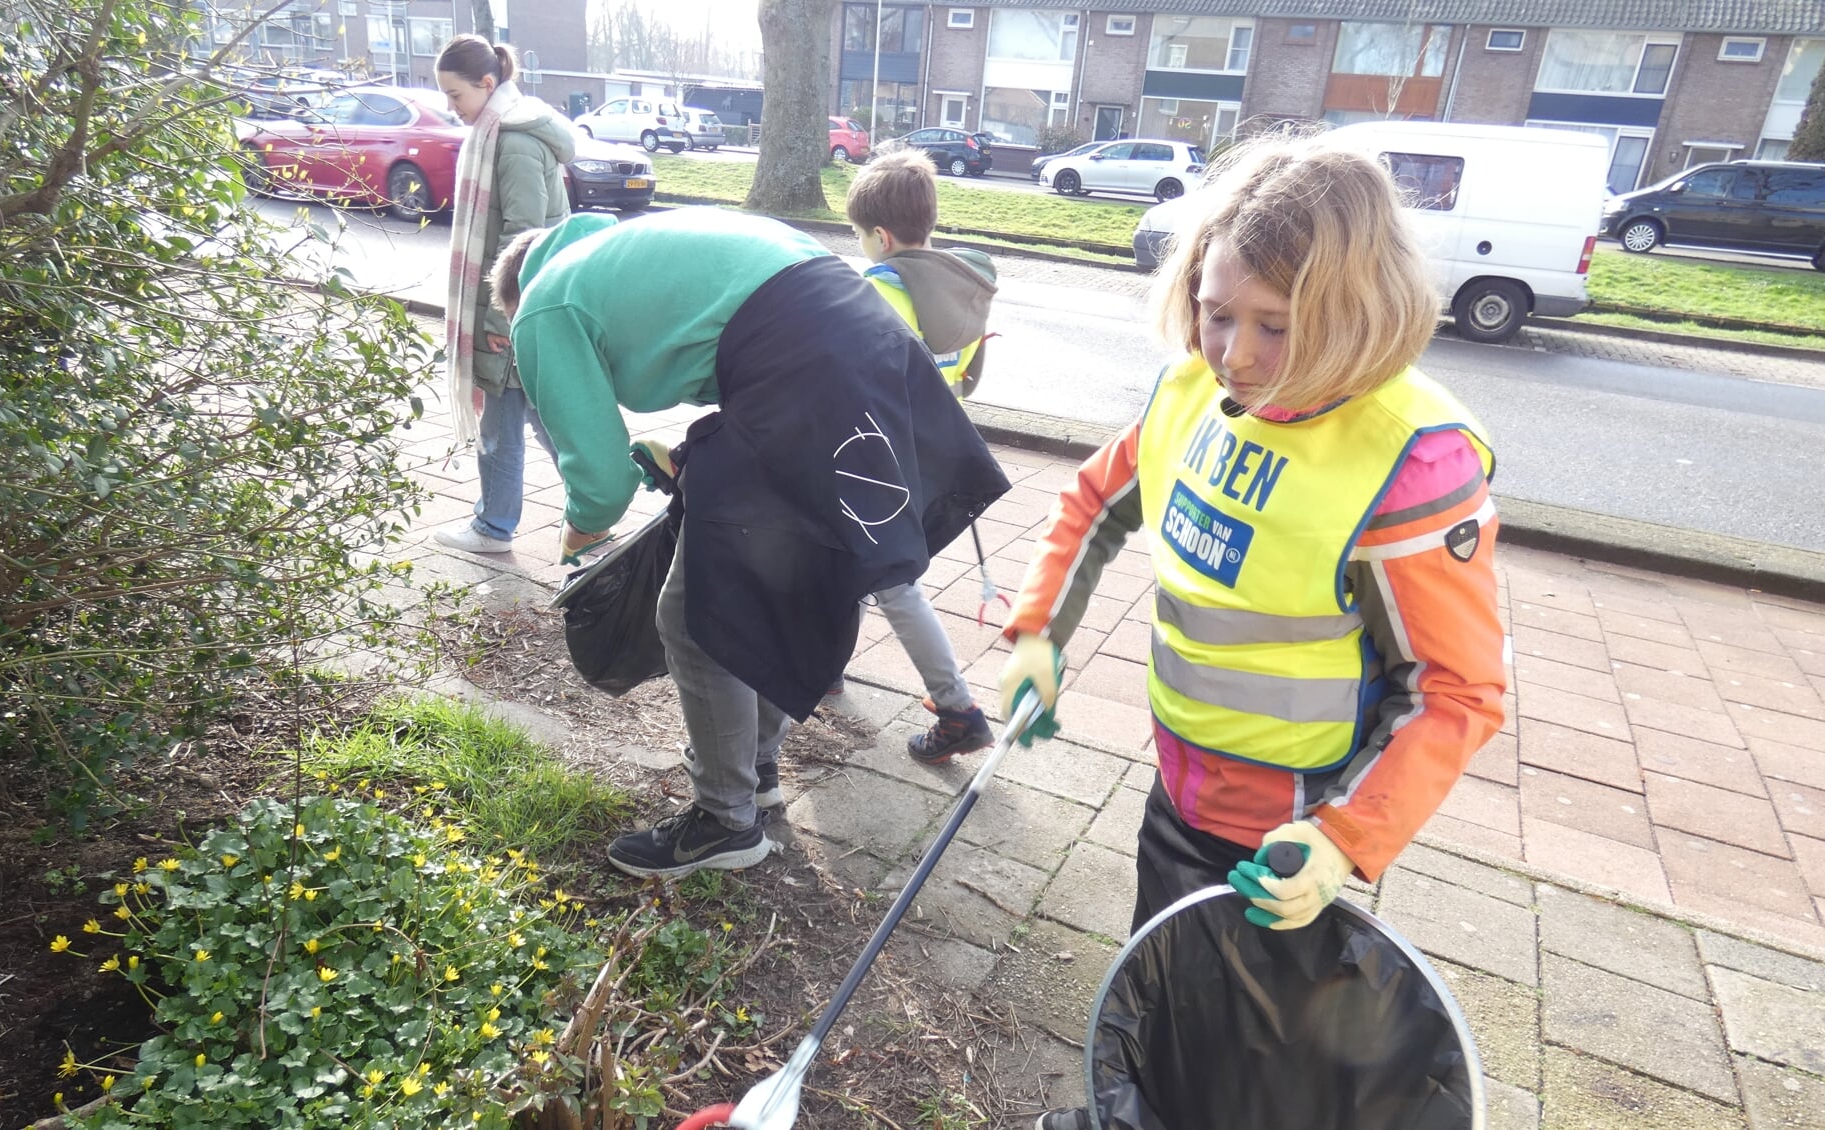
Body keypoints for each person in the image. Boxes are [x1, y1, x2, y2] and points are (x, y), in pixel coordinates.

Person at [994, 135, 1507, 1130]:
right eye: (1217, 312)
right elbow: (1098, 501)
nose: (1235, 353)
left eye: (1276, 325)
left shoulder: (1408, 463)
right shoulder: (1195, 391)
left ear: (1354, 315)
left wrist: (1342, 842)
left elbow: (1456, 688)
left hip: (1288, 832)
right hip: (1178, 783)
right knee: (1167, 980)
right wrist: (1037, 633)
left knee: (1259, 1057)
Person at [490, 208, 1010, 880]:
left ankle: (724, 821)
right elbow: (738, 350)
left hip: (806, 360)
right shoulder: (627, 252)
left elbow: (598, 479)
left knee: (699, 611)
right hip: (864, 334)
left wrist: (577, 545)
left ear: (511, 298)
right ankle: (757, 770)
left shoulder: (542, 303)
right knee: (795, 570)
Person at [839, 148, 999, 764]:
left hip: (877, 459)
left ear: (880, 236)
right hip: (930, 454)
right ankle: (827, 666)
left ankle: (957, 709)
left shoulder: (879, 291)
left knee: (892, 579)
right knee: (850, 563)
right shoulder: (956, 288)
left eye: (858, 237)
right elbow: (962, 381)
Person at [429, 34, 578, 555]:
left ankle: (495, 527)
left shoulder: (511, 141)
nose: (451, 106)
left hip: (513, 311)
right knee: (543, 420)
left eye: (455, 94)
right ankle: (600, 508)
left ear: (486, 84)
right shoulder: (501, 130)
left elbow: (524, 241)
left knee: (510, 428)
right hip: (524, 308)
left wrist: (497, 324)